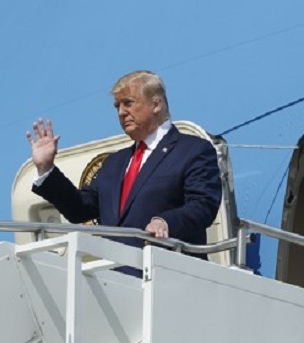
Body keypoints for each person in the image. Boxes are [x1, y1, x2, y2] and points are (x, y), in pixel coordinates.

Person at [27, 70, 222, 253]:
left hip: (167, 274)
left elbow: (203, 205)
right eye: (117, 106)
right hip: (114, 276)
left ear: (156, 104)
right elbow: (80, 209)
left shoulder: (192, 150)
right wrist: (46, 169)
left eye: (128, 103)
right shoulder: (114, 163)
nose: (121, 112)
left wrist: (165, 222)